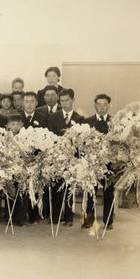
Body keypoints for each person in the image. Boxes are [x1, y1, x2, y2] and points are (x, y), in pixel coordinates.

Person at [48, 88, 84, 226]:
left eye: (67, 100)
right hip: (57, 157)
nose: (64, 103)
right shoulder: (53, 117)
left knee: (70, 187)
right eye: (61, 101)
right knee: (57, 186)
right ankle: (56, 217)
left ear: (73, 100)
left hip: (72, 157)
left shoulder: (80, 118)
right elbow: (50, 137)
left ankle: (69, 218)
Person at [83, 94, 115, 230]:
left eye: (104, 104)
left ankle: (108, 222)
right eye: (99, 104)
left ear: (109, 105)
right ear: (94, 105)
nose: (102, 107)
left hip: (109, 164)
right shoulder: (87, 121)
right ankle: (88, 221)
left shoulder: (115, 122)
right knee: (90, 191)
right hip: (92, 163)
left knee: (109, 193)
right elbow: (83, 142)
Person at [6, 114, 28, 226]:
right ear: (8, 125)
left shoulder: (25, 137)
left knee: (21, 193)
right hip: (9, 167)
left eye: (18, 124)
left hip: (21, 167)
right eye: (12, 124)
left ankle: (20, 217)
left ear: (22, 125)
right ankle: (10, 217)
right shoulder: (6, 137)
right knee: (10, 191)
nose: (15, 127)